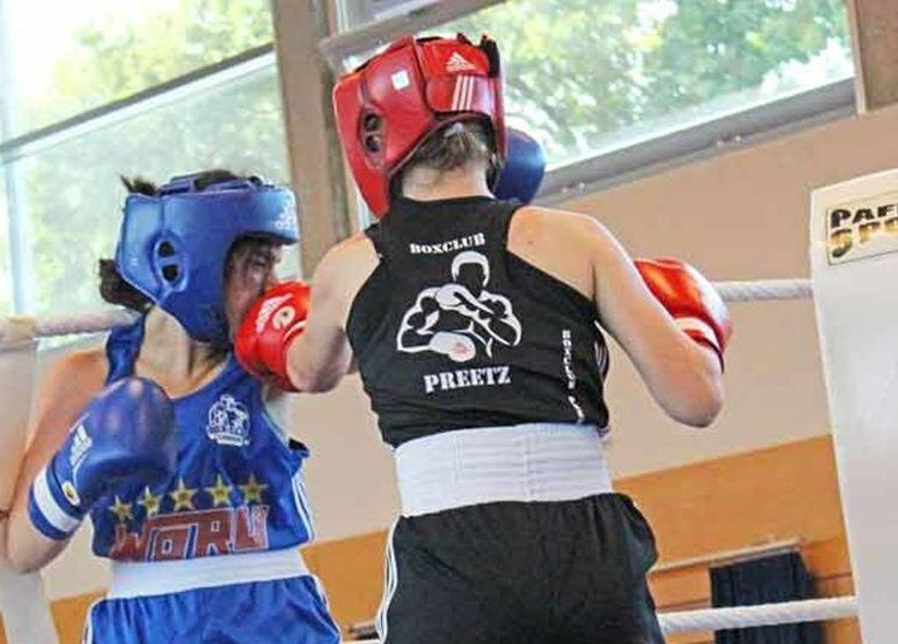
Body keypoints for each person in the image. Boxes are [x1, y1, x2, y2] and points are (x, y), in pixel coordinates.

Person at [237, 34, 731, 643]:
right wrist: (692, 323)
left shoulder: (349, 266)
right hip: (588, 547)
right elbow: (696, 400)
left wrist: (273, 324)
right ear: (489, 123)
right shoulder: (576, 239)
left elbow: (309, 371)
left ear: (371, 136)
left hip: (452, 558)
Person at [1, 170, 340, 643]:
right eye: (258, 265)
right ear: (192, 263)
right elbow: (20, 550)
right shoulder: (86, 377)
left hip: (272, 615)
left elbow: (333, 359)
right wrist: (74, 469)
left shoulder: (271, 361)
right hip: (142, 623)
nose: (274, 286)